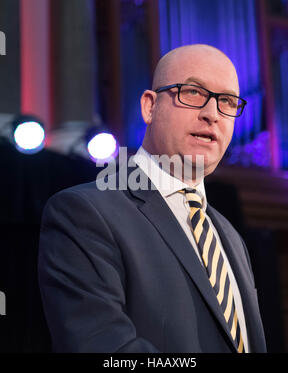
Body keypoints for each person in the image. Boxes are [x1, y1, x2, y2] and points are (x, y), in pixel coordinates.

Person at [38, 44, 266, 353]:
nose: (212, 114)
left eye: (226, 101)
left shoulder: (229, 236)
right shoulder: (85, 212)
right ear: (149, 106)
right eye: (193, 92)